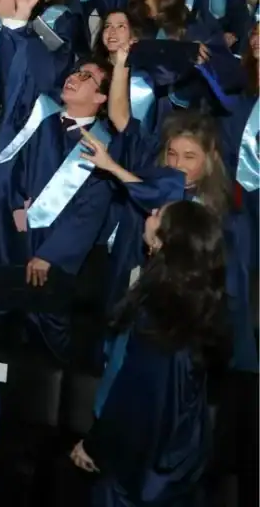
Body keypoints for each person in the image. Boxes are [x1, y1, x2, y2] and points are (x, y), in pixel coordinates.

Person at [70, 200, 229, 506]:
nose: (150, 215)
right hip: (177, 455)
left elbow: (137, 401)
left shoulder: (160, 319)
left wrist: (97, 445)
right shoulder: (192, 299)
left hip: (143, 473)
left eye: (157, 215)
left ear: (163, 240)